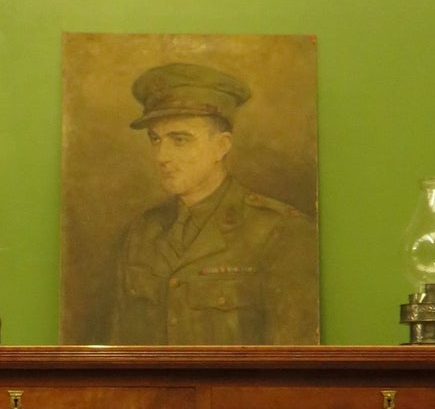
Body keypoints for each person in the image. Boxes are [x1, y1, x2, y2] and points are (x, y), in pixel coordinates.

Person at [111, 62, 319, 344]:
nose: (162, 156)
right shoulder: (143, 233)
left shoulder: (280, 231)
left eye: (180, 140)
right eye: (156, 139)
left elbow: (292, 365)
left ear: (221, 147)